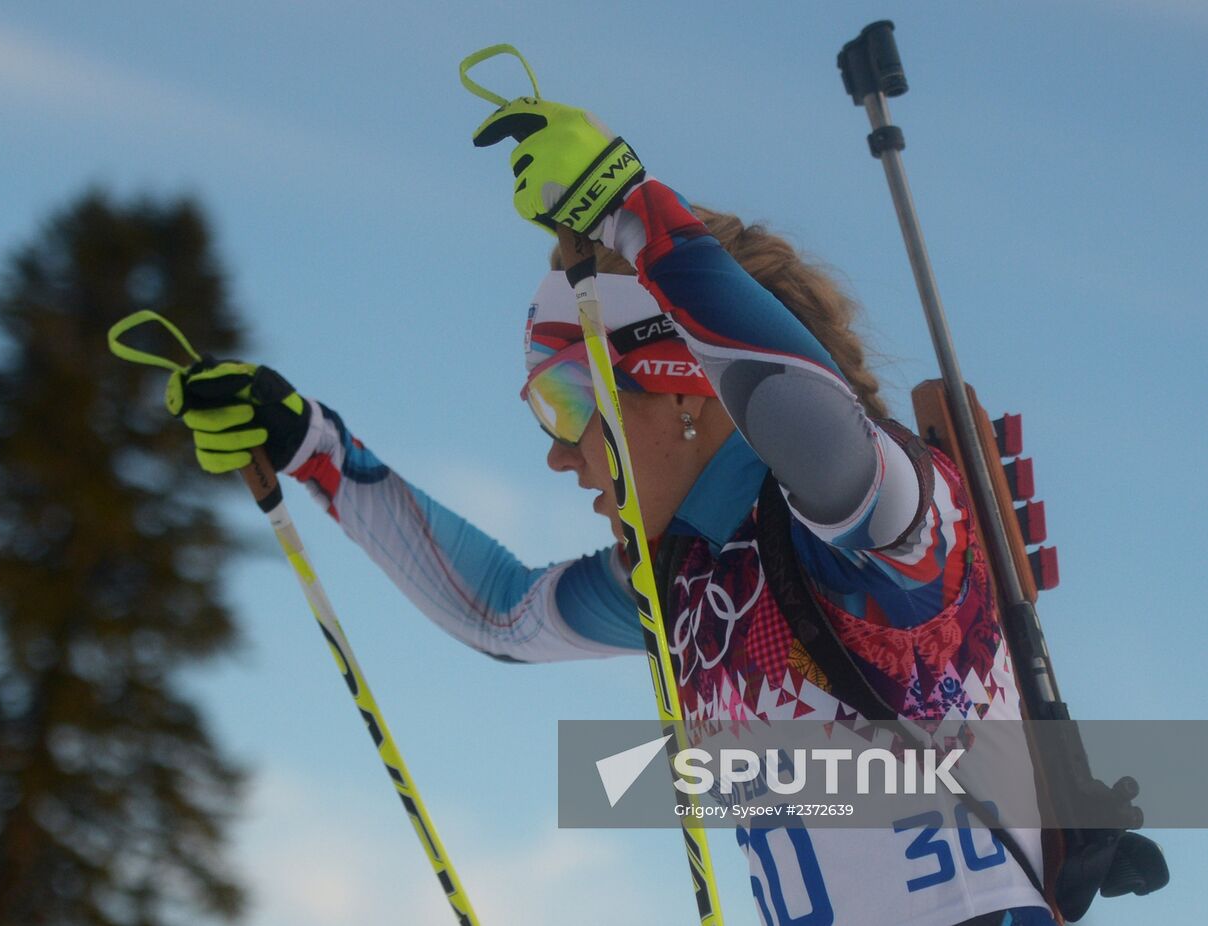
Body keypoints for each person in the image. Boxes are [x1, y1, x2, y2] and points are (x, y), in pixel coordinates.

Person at [170, 96, 1053, 926]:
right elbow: (503, 612)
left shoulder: (873, 523)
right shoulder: (687, 578)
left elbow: (812, 430)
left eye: (568, 402)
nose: (559, 453)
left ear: (684, 392)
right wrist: (313, 449)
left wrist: (631, 211)